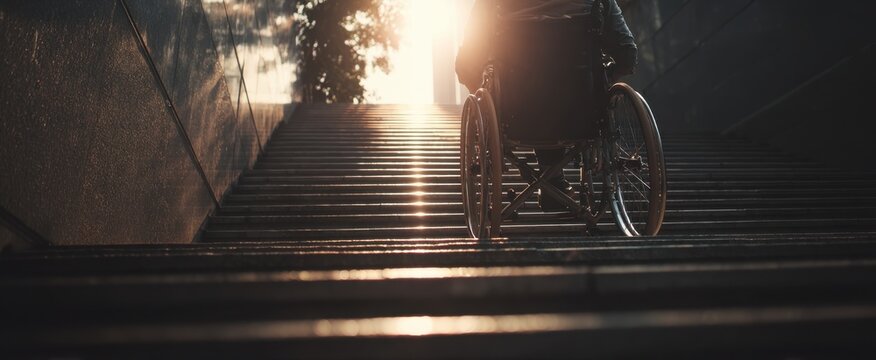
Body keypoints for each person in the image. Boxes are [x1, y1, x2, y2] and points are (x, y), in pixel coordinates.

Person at [455, 0, 638, 211]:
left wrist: (484, 93)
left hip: (517, 114)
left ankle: (552, 178)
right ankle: (554, 178)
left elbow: (466, 65)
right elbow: (627, 54)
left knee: (536, 94)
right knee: (564, 92)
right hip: (582, 114)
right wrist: (601, 83)